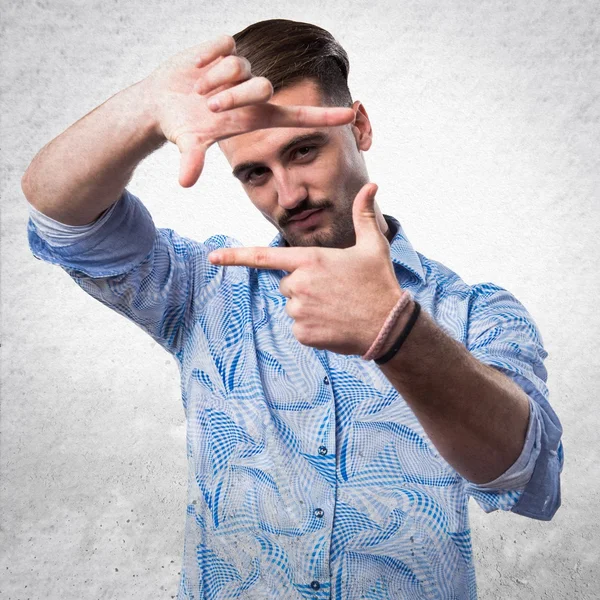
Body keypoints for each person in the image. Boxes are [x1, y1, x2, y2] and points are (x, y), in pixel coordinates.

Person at [22, 18, 563, 600]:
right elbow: (61, 218)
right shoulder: (203, 290)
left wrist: (398, 333)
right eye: (256, 173)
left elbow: (524, 473)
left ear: (358, 126)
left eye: (302, 151)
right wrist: (146, 108)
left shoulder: (474, 312)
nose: (288, 195)